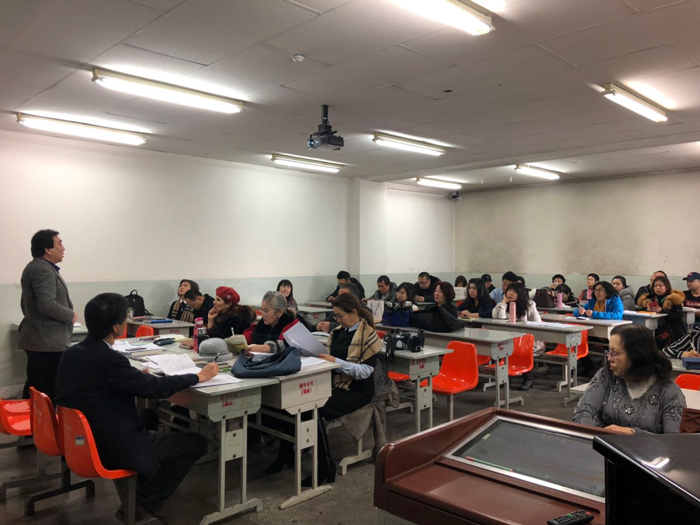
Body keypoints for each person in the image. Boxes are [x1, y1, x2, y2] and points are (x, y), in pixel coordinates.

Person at [55, 293, 219, 520]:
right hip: (110, 444)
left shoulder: (71, 353)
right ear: (115, 327)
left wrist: (133, 377)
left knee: (149, 415)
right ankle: (144, 502)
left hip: (80, 438)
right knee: (196, 443)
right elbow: (156, 388)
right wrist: (198, 376)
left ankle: (141, 485)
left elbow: (102, 384)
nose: (127, 321)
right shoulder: (110, 360)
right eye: (125, 317)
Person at [311, 294, 382, 486]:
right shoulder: (338, 333)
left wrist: (336, 362)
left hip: (358, 391)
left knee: (315, 408)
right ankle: (294, 454)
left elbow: (365, 372)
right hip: (338, 385)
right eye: (335, 316)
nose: (337, 320)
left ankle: (326, 465)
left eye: (340, 315)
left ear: (354, 312)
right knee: (305, 403)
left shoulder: (369, 335)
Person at [573, 324, 686, 434]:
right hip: (600, 444)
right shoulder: (606, 375)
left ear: (636, 355)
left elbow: (673, 441)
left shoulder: (669, 392)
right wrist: (592, 435)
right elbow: (582, 412)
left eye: (614, 353)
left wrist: (634, 434)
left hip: (645, 447)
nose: (609, 358)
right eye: (609, 352)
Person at [19, 229, 77, 401]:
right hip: (46, 341)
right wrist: (71, 315)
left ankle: (30, 415)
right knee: (45, 389)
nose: (63, 248)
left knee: (36, 385)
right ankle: (39, 418)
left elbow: (26, 304)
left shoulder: (36, 267)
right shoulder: (42, 270)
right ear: (48, 249)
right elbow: (47, 305)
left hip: (41, 338)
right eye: (59, 243)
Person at [492, 282, 543, 390]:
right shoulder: (503, 304)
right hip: (509, 339)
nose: (510, 293)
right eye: (509, 290)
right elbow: (499, 320)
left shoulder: (529, 305)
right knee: (501, 348)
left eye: (514, 292)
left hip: (527, 340)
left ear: (520, 294)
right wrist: (503, 303)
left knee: (521, 349)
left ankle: (528, 378)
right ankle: (505, 378)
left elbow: (538, 323)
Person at [637, 276, 687, 349]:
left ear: (666, 287)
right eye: (655, 286)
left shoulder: (673, 299)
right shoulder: (649, 298)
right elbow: (640, 311)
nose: (657, 288)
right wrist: (646, 309)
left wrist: (662, 311)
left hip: (671, 329)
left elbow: (678, 316)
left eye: (660, 286)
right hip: (652, 327)